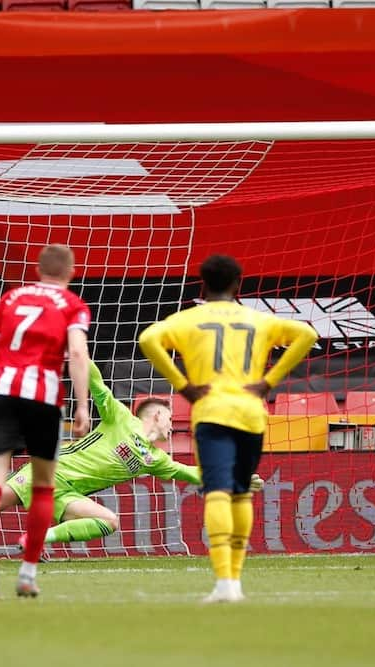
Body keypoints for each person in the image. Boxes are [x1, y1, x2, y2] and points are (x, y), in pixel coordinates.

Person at [0, 360, 229, 565]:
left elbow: (192, 473)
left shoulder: (157, 459)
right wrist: (76, 350)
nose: (173, 423)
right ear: (155, 416)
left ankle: (38, 538)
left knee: (109, 521)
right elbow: (96, 383)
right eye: (168, 417)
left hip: (67, 493)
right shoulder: (120, 418)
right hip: (47, 473)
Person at [139, 254, 317, 603]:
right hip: (252, 414)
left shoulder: (188, 319)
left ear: (202, 284)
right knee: (240, 493)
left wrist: (182, 384)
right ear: (238, 283)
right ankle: (234, 582)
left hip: (212, 413)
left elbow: (148, 340)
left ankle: (225, 584)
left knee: (217, 493)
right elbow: (307, 334)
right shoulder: (257, 320)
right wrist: (269, 382)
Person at [0, 243, 92, 600]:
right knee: (42, 487)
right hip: (43, 396)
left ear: (39, 270)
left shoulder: (10, 299)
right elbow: (77, 353)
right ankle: (27, 572)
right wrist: (82, 406)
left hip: (1, 391)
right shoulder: (73, 306)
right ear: (71, 272)